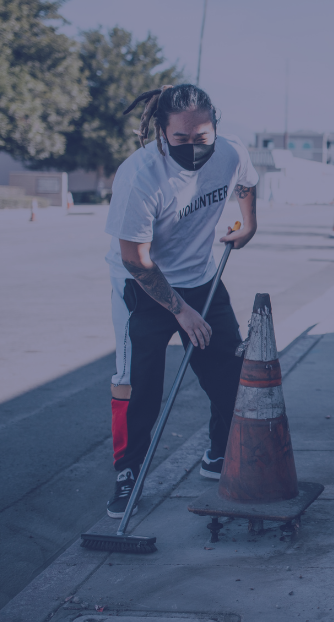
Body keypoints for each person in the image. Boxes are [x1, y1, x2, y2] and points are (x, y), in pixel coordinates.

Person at [103, 84, 258, 519]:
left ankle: (217, 453)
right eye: (181, 140)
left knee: (229, 375)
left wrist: (249, 224)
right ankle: (127, 472)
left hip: (202, 279)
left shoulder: (229, 152)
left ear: (214, 128)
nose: (194, 147)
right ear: (161, 133)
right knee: (140, 385)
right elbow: (136, 259)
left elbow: (247, 182)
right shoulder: (140, 176)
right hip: (142, 287)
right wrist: (181, 311)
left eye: (202, 138)